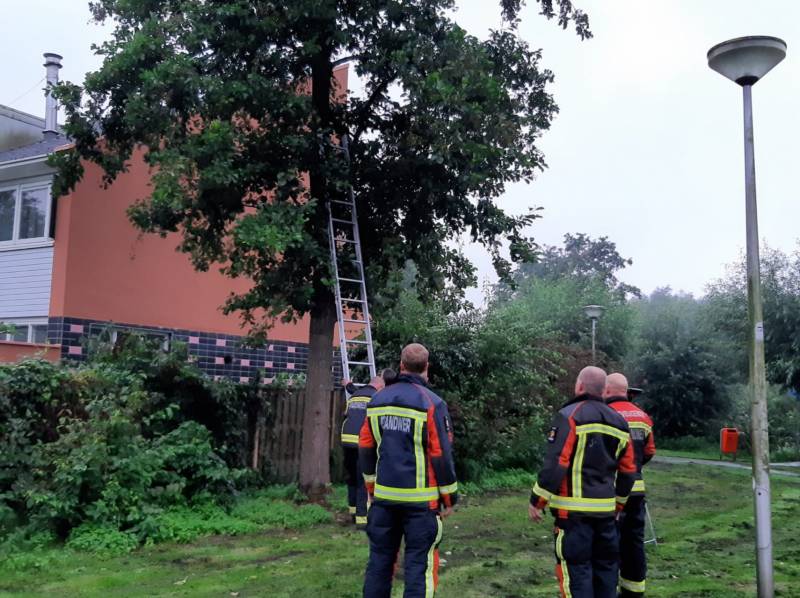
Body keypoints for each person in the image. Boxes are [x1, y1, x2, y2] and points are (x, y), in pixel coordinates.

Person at [359, 343, 458, 598]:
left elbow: (366, 446)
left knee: (379, 564)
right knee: (418, 567)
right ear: (427, 367)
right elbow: (441, 453)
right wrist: (449, 498)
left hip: (384, 501)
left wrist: (371, 487)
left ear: (401, 365)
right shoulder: (432, 403)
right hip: (421, 505)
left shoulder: (377, 400)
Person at [529, 366, 637, 598]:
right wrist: (618, 505)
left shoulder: (570, 415)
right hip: (606, 515)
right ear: (604, 390)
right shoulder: (619, 423)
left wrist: (537, 501)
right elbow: (629, 471)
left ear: (579, 386)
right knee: (606, 573)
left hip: (573, 517)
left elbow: (557, 463)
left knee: (576, 573)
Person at [604, 374, 656, 597]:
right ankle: (634, 591)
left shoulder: (604, 414)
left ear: (607, 390)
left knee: (607, 545)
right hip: (636, 491)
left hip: (609, 492)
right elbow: (649, 451)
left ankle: (607, 590)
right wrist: (635, 467)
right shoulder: (643, 417)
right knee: (634, 543)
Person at [341, 373, 389, 527]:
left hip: (346, 440)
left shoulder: (354, 396)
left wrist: (348, 385)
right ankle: (362, 519)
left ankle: (353, 511)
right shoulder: (376, 398)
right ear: (380, 387)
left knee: (351, 478)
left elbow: (346, 414)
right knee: (363, 480)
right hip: (362, 442)